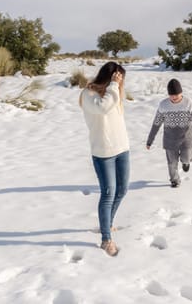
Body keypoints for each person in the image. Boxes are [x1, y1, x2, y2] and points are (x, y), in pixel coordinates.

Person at [79, 61, 129, 257]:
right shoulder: (88, 94)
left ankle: (106, 223)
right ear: (108, 78)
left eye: (121, 79)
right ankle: (106, 239)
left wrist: (115, 88)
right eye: (117, 78)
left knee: (122, 190)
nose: (120, 82)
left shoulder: (113, 93)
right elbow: (103, 108)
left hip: (122, 149)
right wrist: (114, 86)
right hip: (103, 152)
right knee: (108, 193)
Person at [146, 78, 192, 188]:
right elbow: (156, 124)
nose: (174, 97)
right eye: (172, 95)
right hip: (170, 140)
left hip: (186, 138)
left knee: (186, 158)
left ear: (181, 92)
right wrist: (150, 141)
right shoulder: (163, 105)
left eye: (177, 94)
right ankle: (175, 180)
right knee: (172, 163)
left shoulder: (189, 104)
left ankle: (186, 162)